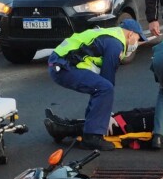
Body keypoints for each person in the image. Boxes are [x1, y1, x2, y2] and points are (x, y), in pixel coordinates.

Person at [47, 20, 146, 150]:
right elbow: (108, 78)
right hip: (64, 66)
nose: (136, 44)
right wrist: (105, 113)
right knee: (105, 88)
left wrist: (101, 112)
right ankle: (92, 137)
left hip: (60, 63)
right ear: (130, 34)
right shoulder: (116, 44)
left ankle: (76, 129)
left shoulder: (110, 35)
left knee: (100, 88)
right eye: (138, 39)